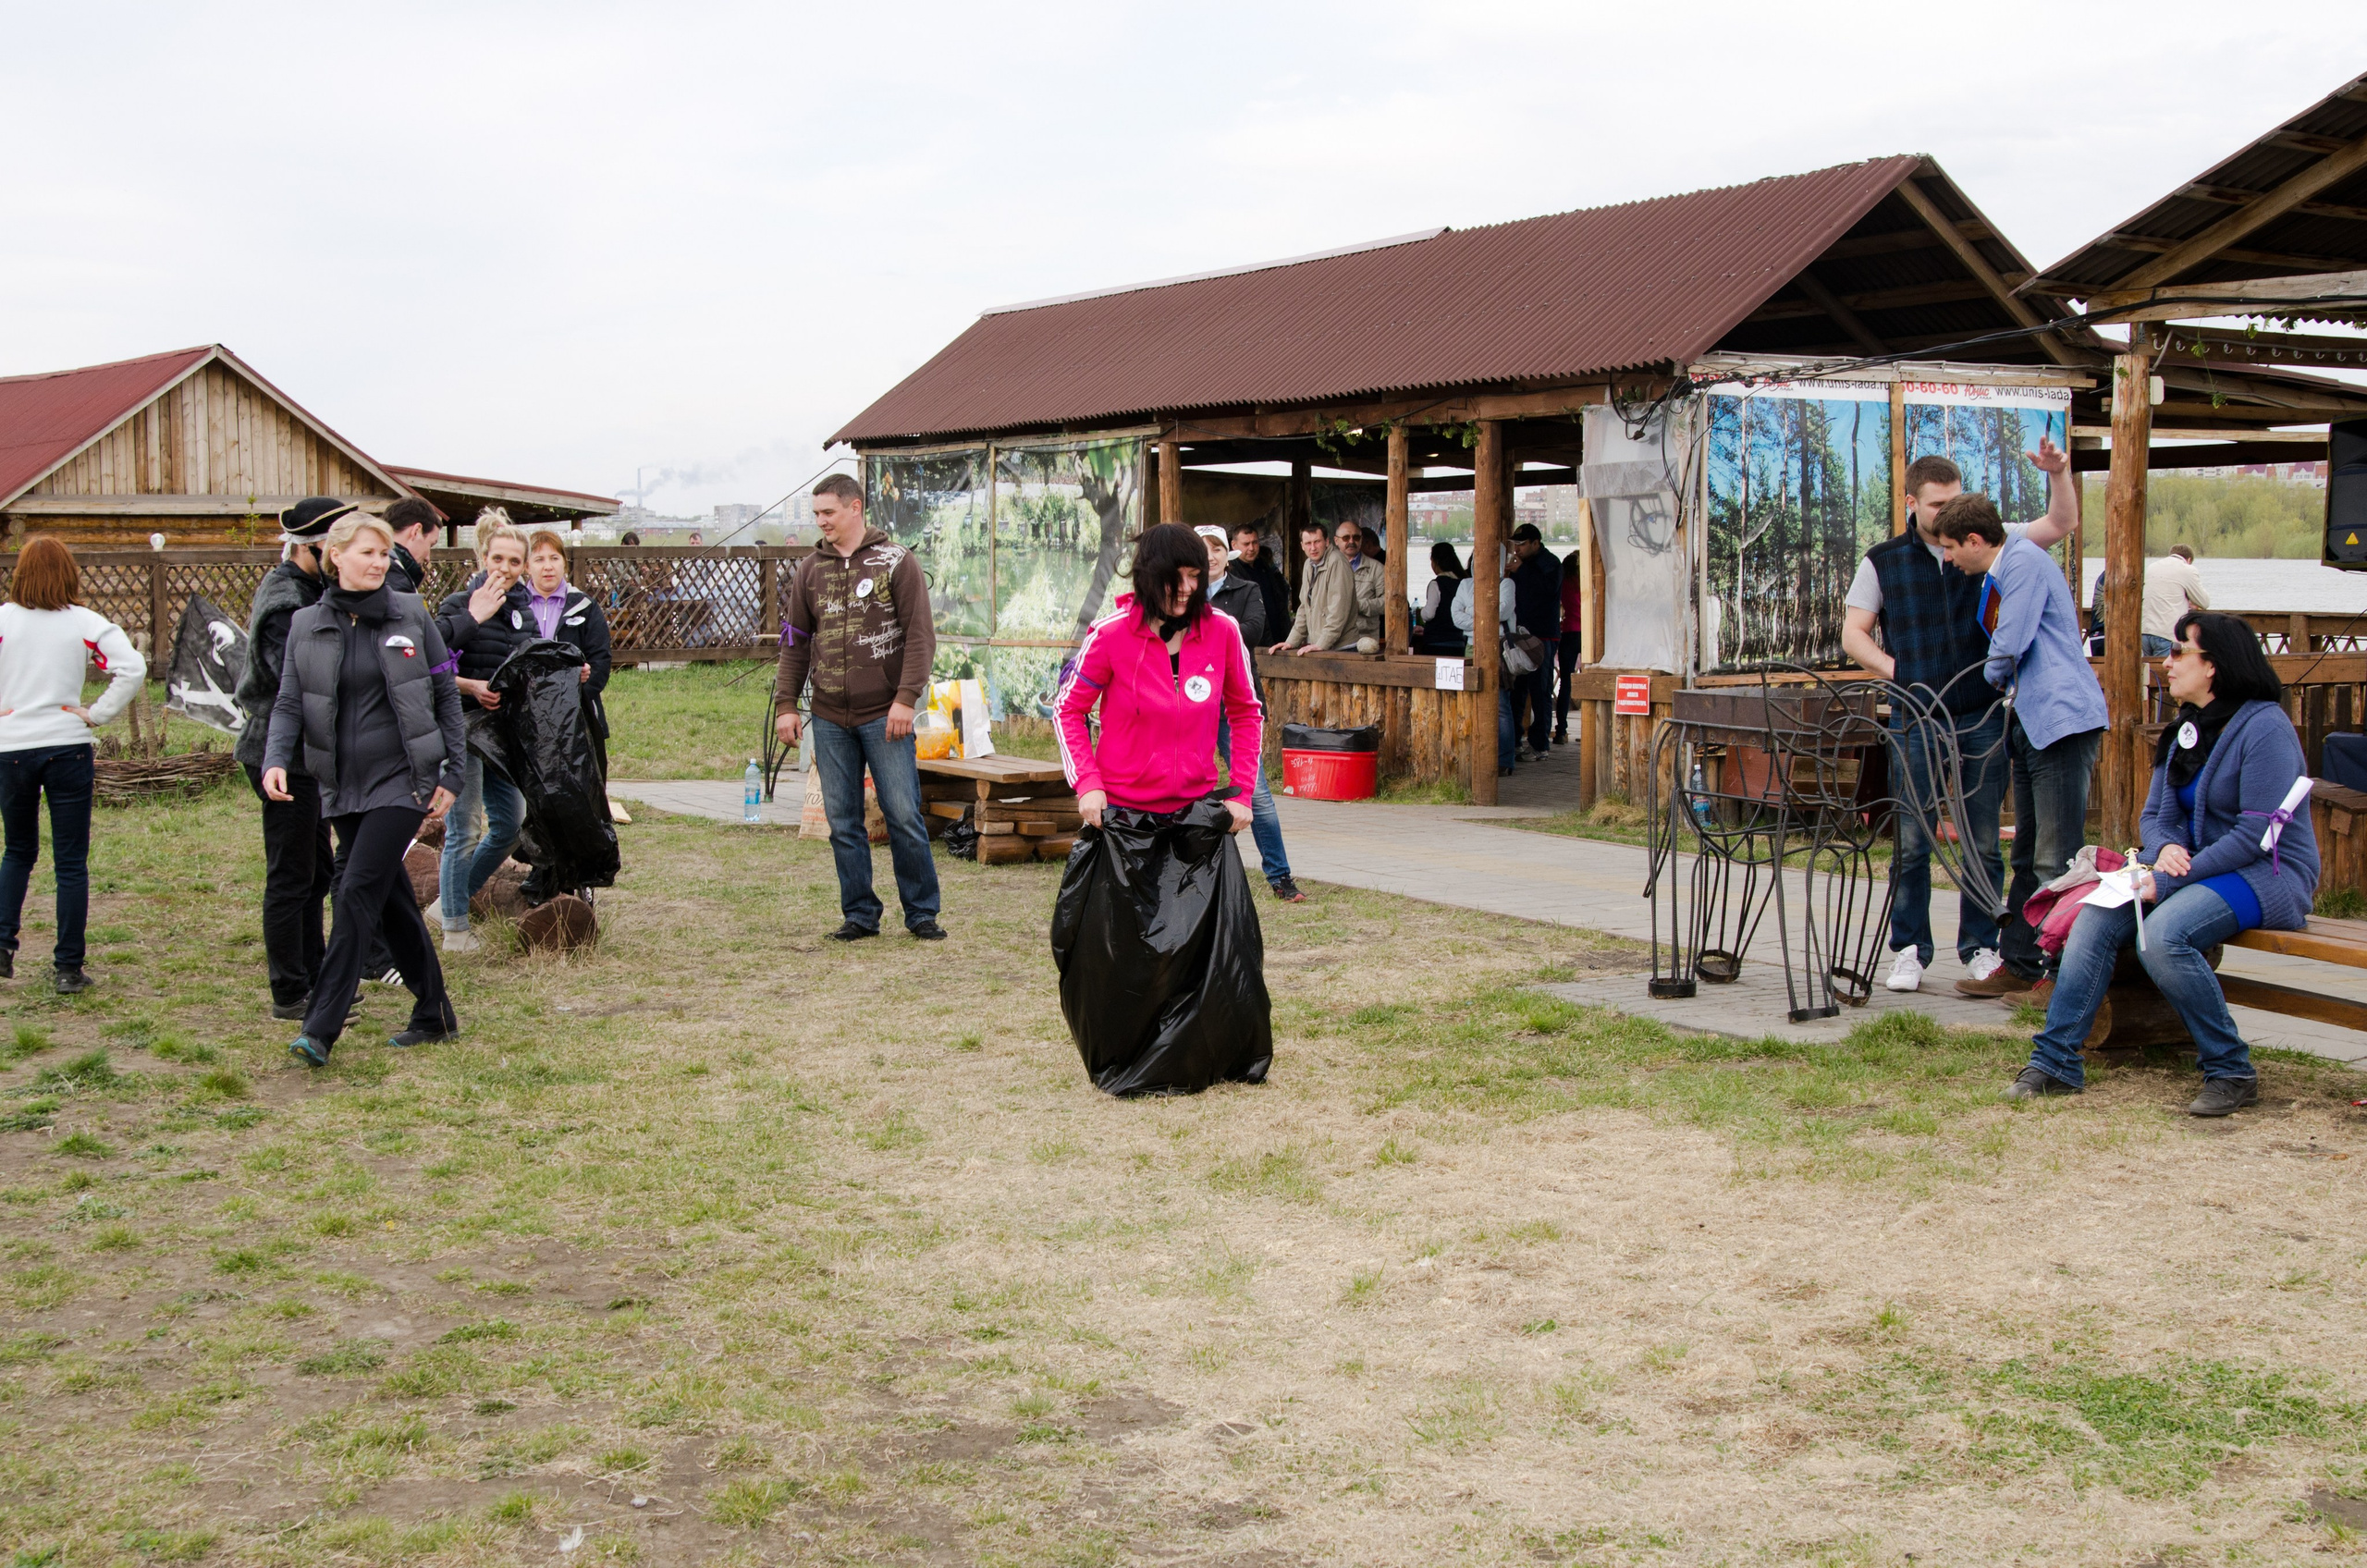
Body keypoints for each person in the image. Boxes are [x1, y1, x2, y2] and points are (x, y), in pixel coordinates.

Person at [2009, 612, 2315, 1116]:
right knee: (2093, 917)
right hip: (2191, 869)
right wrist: (2165, 850)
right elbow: (2155, 817)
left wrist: (2170, 877)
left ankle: (2230, 1069)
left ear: (2213, 665)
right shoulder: (2186, 728)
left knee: (2162, 937)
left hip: (2266, 874)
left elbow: (2256, 836)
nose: (2165, 662)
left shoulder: (2265, 728)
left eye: (2177, 651)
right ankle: (2056, 1062)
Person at [1839, 443, 2077, 994]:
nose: (1947, 513)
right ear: (1910, 503)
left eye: (1954, 502)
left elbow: (2061, 523)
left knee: (1982, 840)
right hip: (1914, 716)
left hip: (1980, 713)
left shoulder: (1983, 538)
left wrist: (2059, 474)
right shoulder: (1881, 560)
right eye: (1936, 505)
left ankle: (1980, 946)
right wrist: (1900, 672)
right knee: (1913, 839)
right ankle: (1909, 950)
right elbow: (1854, 633)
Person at [262, 512, 464, 1064]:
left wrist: (453, 772)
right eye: (367, 553)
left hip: (404, 778)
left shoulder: (411, 613)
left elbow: (445, 693)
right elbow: (288, 702)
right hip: (341, 784)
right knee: (391, 899)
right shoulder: (306, 623)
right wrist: (276, 758)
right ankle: (435, 1014)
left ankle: (320, 1026)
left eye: (383, 554)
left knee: (353, 888)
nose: (379, 563)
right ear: (336, 556)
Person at [1933, 491, 2108, 1002]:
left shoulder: (2023, 562)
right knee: (2028, 854)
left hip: (2060, 721)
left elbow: (2009, 643)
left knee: (2057, 858)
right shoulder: (2006, 556)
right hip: (2032, 720)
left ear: (1974, 541)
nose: (1948, 559)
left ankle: (2063, 978)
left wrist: (1985, 678)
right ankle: (2021, 963)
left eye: (1950, 548)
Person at [771, 473, 942, 941]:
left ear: (855, 507)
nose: (821, 521)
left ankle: (922, 912)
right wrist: (787, 705)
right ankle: (860, 915)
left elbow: (920, 638)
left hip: (886, 714)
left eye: (828, 512)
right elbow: (795, 644)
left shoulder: (897, 561)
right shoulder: (810, 570)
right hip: (829, 716)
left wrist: (905, 699)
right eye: (816, 514)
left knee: (902, 814)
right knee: (842, 820)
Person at [0, 537, 146, 994]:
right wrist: (97, 714)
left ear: (20, 572)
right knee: (70, 862)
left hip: (11, 747)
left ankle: (1, 947)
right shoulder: (86, 622)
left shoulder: (3, 620)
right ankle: (68, 968)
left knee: (17, 851)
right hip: (67, 746)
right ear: (70, 573)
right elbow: (133, 668)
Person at [1057, 523, 1259, 833]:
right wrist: (1087, 782)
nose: (1186, 587)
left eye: (1194, 575)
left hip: (1196, 811)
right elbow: (1068, 709)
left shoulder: (1224, 631)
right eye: (1174, 577)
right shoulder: (1110, 634)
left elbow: (1246, 713)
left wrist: (1242, 791)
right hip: (1121, 814)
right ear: (1148, 576)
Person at [233, 499, 337, 1019]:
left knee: (316, 871)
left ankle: (315, 975)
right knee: (291, 875)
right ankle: (289, 990)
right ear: (309, 547)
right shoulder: (286, 601)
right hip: (279, 754)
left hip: (307, 754)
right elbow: (292, 682)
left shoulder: (311, 589)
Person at [434, 514, 534, 952]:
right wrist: (470, 686)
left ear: (524, 566)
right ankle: (455, 929)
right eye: (498, 559)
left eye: (514, 561)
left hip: (500, 733)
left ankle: (445, 903)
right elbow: (431, 668)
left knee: (511, 825)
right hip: (459, 726)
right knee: (465, 829)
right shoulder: (459, 604)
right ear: (483, 557)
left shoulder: (524, 612)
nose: (505, 568)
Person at [1200, 527, 1305, 903]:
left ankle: (1280, 875)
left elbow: (1252, 633)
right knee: (1185, 789)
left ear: (1227, 554)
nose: (1210, 557)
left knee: (1256, 793)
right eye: (1203, 551)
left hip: (1235, 703)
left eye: (1216, 549)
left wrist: (1198, 636)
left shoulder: (1247, 589)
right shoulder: (1183, 593)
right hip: (1191, 705)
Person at [1453, 547, 1522, 778]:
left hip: (1498, 647)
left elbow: (1502, 612)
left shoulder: (1506, 584)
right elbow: (1456, 617)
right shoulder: (1465, 584)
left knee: (1501, 704)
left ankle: (1504, 759)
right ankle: (1476, 755)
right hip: (1472, 646)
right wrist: (1484, 617)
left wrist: (1471, 612)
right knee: (1471, 699)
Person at [1508, 523, 1562, 757]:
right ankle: (1515, 740)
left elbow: (1548, 591)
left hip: (1543, 635)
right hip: (1519, 633)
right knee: (1516, 688)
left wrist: (1521, 571)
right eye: (1515, 545)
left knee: (1540, 690)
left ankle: (1540, 744)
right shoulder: (1521, 565)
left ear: (1535, 543)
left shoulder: (1551, 563)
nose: (1517, 549)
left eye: (1522, 544)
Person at [1272, 521, 1359, 655]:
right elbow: (1304, 608)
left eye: (1317, 542)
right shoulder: (1308, 564)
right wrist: (1291, 641)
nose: (1313, 548)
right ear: (1302, 546)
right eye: (1308, 543)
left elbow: (1338, 611)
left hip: (1342, 647)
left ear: (1327, 542)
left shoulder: (1337, 562)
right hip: (1321, 645)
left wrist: (1322, 644)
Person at [2141, 544, 2210, 658]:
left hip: (2144, 632)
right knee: (2165, 669)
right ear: (2188, 560)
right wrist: (2189, 600)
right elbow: (2204, 602)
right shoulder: (2187, 569)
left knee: (2147, 669)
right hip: (2166, 634)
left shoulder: (2152, 567)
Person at [1231, 523, 1291, 643]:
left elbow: (1281, 596)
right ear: (1234, 545)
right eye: (1246, 544)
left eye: (1255, 543)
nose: (1251, 548)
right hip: (1252, 640)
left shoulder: (1265, 565)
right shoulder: (1230, 572)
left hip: (1277, 634)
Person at [1333, 519, 1386, 646]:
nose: (1351, 541)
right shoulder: (1327, 567)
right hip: (1333, 639)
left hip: (1364, 640)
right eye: (1346, 538)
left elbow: (1388, 603)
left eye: (1356, 537)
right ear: (1336, 540)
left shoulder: (1377, 568)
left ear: (1361, 540)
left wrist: (1358, 605)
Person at [1554, 549, 1584, 744]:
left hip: (1569, 632)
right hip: (1588, 634)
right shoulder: (1587, 582)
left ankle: (1561, 730)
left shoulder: (1563, 583)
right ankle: (1590, 728)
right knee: (1591, 682)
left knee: (1565, 682)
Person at [1419, 542, 1468, 655]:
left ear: (1436, 562)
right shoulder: (1463, 583)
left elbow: (1429, 614)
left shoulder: (1436, 584)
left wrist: (1422, 612)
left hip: (1436, 643)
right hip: (1458, 641)